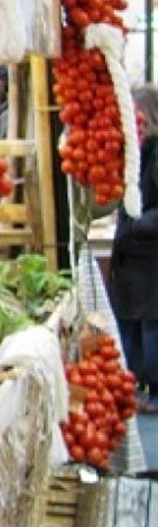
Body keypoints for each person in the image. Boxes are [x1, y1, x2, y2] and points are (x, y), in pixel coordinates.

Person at [110, 84, 158, 413]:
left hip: (150, 261)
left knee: (151, 328)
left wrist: (137, 223)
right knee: (136, 327)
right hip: (133, 259)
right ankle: (143, 386)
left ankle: (153, 391)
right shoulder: (139, 153)